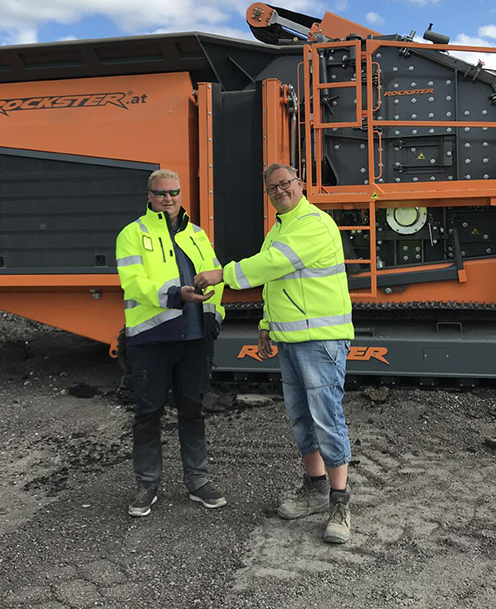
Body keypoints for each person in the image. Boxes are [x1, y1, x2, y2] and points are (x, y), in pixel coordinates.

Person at [195, 163, 354, 544]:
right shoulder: (281, 227)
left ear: (300, 184)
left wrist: (223, 274)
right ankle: (315, 490)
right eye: (273, 188)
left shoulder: (313, 223)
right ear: (268, 195)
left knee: (327, 419)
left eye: (286, 183)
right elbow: (277, 282)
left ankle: (340, 504)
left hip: (321, 340)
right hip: (293, 339)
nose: (280, 190)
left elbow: (273, 264)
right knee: (302, 419)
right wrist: (266, 325)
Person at [115, 169, 226, 517]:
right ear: (149, 196)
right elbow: (133, 283)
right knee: (148, 413)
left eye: (174, 192)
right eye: (161, 193)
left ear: (181, 194)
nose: (168, 198)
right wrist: (175, 295)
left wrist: (216, 317)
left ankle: (198, 481)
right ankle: (147, 485)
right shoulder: (133, 234)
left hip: (195, 340)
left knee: (192, 411)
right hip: (151, 339)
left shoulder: (197, 235)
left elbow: (216, 275)